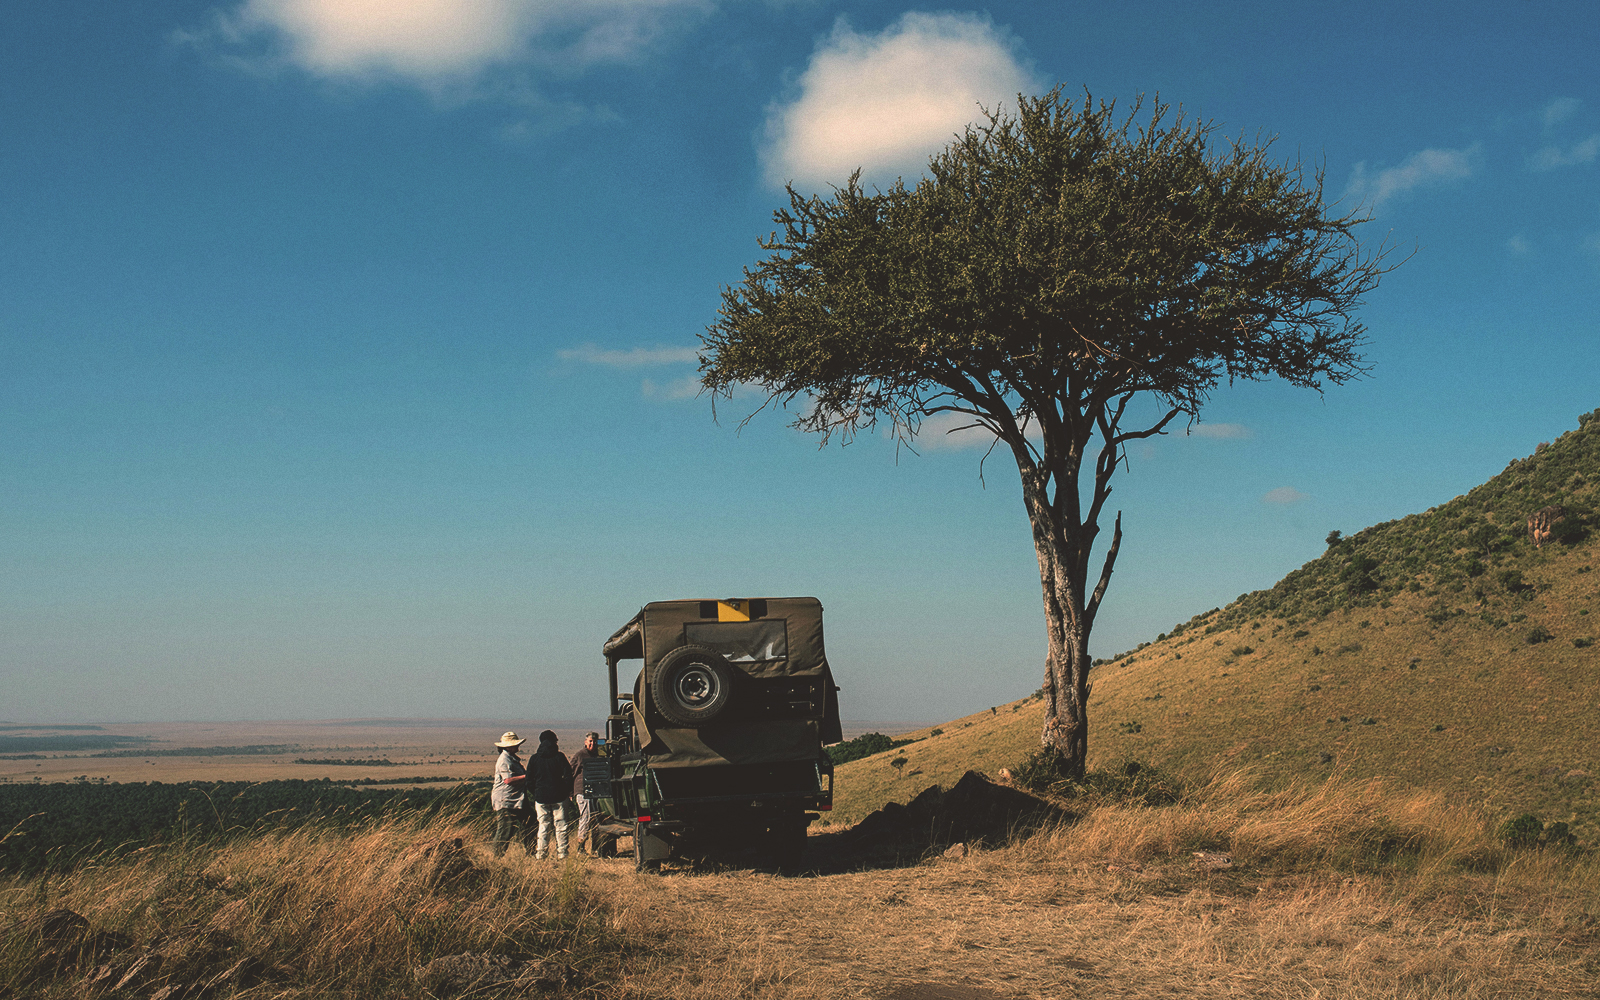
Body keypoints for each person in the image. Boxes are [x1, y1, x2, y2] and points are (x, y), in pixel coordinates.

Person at [529, 729, 573, 860]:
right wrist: (565, 791)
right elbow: (569, 776)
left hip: (541, 798)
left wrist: (537, 792)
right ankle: (562, 853)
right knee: (561, 826)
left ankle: (541, 853)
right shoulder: (559, 757)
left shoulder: (534, 759)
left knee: (543, 826)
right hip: (559, 796)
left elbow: (529, 780)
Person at [490, 731, 532, 857]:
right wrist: (527, 776)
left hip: (516, 799)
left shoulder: (511, 758)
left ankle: (530, 851)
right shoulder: (504, 760)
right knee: (506, 829)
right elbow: (508, 780)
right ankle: (497, 856)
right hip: (506, 800)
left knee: (531, 822)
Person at [567, 731, 600, 855]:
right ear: (585, 742)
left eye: (595, 741)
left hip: (596, 790)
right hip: (582, 790)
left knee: (596, 818)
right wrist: (570, 792)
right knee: (585, 817)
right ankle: (581, 847)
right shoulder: (580, 755)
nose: (593, 744)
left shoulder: (597, 755)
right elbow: (571, 773)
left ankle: (596, 847)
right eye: (590, 741)